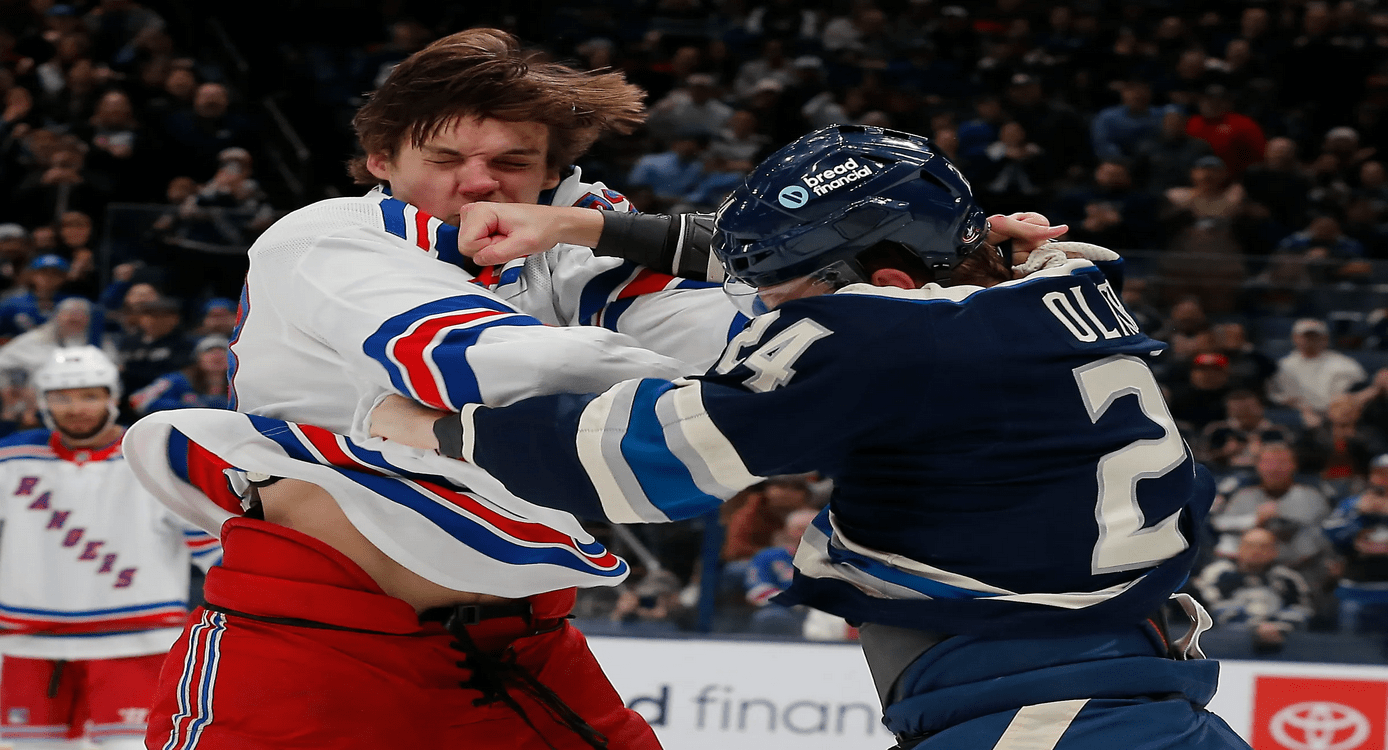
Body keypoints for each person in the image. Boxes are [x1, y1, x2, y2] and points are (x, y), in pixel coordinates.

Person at [367, 125, 1249, 749]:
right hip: (1137, 683)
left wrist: (433, 428)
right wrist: (574, 225)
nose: (757, 307)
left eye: (782, 295)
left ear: (892, 281)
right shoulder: (1061, 273)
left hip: (1040, 714)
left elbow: (643, 460)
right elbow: (822, 259)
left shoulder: (879, 338)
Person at [118, 27, 749, 750]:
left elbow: (733, 342)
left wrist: (600, 231)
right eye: (445, 159)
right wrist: (735, 389)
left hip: (526, 642)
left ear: (550, 176)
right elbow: (488, 369)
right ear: (381, 160)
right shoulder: (325, 237)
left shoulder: (566, 241)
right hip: (317, 646)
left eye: (513, 162)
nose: (479, 183)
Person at [0, 346, 220, 750]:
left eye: (89, 394)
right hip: (28, 644)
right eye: (62, 397)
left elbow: (215, 550)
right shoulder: (12, 459)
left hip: (138, 642)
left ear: (112, 396)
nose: (75, 407)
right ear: (44, 401)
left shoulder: (149, 457)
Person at [1195, 527, 1313, 653]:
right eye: (1250, 545)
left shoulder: (1288, 578)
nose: (1256, 551)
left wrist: (1277, 626)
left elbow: (1302, 609)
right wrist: (1255, 627)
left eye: (1264, 546)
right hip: (1225, 642)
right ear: (1239, 548)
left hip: (1282, 641)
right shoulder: (1217, 573)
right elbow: (1211, 606)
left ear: (1275, 550)